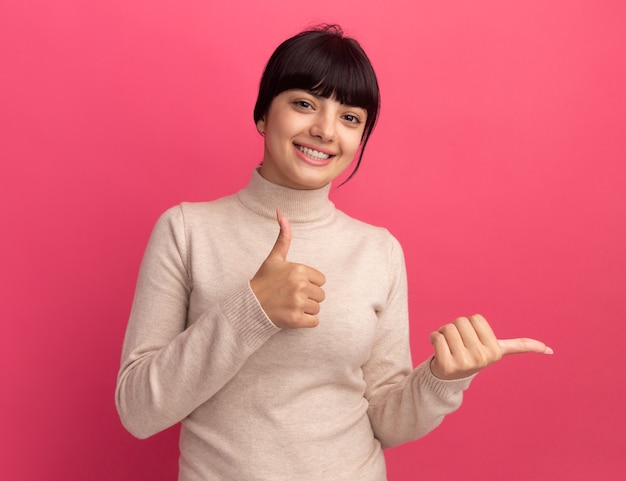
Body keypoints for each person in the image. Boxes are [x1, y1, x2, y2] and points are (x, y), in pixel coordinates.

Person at [115, 25, 552, 481]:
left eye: (350, 117)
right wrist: (250, 311)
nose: (325, 130)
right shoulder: (187, 230)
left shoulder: (378, 250)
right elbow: (138, 411)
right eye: (304, 104)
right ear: (264, 114)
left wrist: (442, 379)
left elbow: (386, 420)